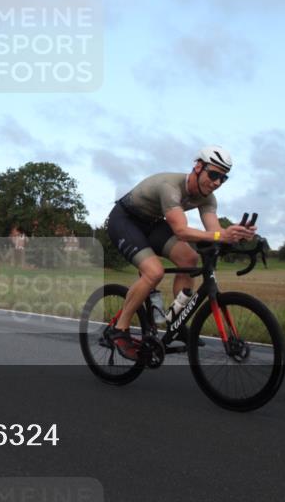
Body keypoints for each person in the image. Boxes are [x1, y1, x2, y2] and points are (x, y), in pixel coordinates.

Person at [105, 145, 255, 360]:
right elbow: (181, 231)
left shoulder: (208, 198)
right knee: (154, 272)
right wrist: (219, 236)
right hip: (125, 220)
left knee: (190, 258)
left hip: (153, 224)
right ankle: (119, 329)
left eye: (223, 179)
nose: (216, 183)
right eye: (213, 175)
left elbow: (215, 233)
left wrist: (236, 235)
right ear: (198, 167)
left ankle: (176, 321)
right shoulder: (171, 187)